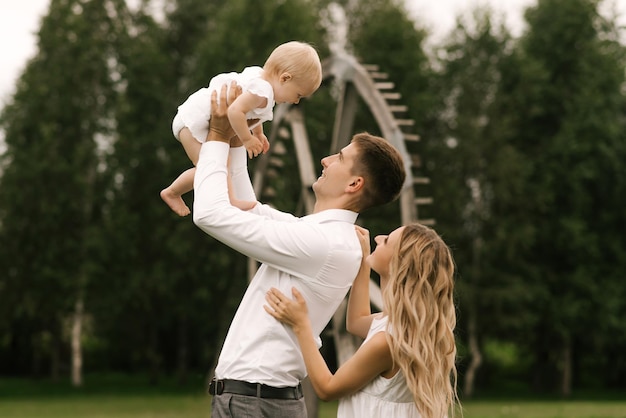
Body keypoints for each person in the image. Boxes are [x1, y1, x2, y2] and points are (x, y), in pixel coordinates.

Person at [192, 82, 407, 418]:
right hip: (258, 401)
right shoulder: (319, 234)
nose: (326, 159)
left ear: (354, 184)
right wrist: (237, 136)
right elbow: (246, 206)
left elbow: (211, 214)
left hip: (254, 404)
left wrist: (218, 134)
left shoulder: (324, 243)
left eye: (339, 157)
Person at [265, 223, 460, 418]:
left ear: (398, 265)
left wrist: (301, 325)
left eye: (386, 241)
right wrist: (364, 264)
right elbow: (357, 322)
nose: (377, 238)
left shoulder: (386, 342)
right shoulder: (401, 327)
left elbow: (327, 388)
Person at [161, 41, 323, 216]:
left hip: (191, 116)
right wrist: (247, 138)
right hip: (192, 121)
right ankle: (174, 193)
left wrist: (258, 133)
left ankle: (225, 199)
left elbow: (250, 111)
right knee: (210, 167)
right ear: (285, 78)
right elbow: (235, 111)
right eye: (298, 95)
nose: (297, 101)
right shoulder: (263, 92)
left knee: (221, 164)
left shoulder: (260, 79)